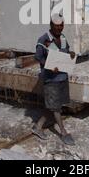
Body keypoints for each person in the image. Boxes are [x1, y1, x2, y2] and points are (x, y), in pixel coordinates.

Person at [32, 14, 76, 146]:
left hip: (62, 77)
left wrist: (71, 54)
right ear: (51, 25)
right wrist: (49, 66)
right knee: (55, 107)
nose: (59, 28)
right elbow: (38, 57)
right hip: (51, 80)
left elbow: (66, 51)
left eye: (61, 25)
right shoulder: (43, 39)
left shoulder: (62, 37)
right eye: (57, 26)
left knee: (54, 105)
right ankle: (63, 132)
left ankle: (37, 127)